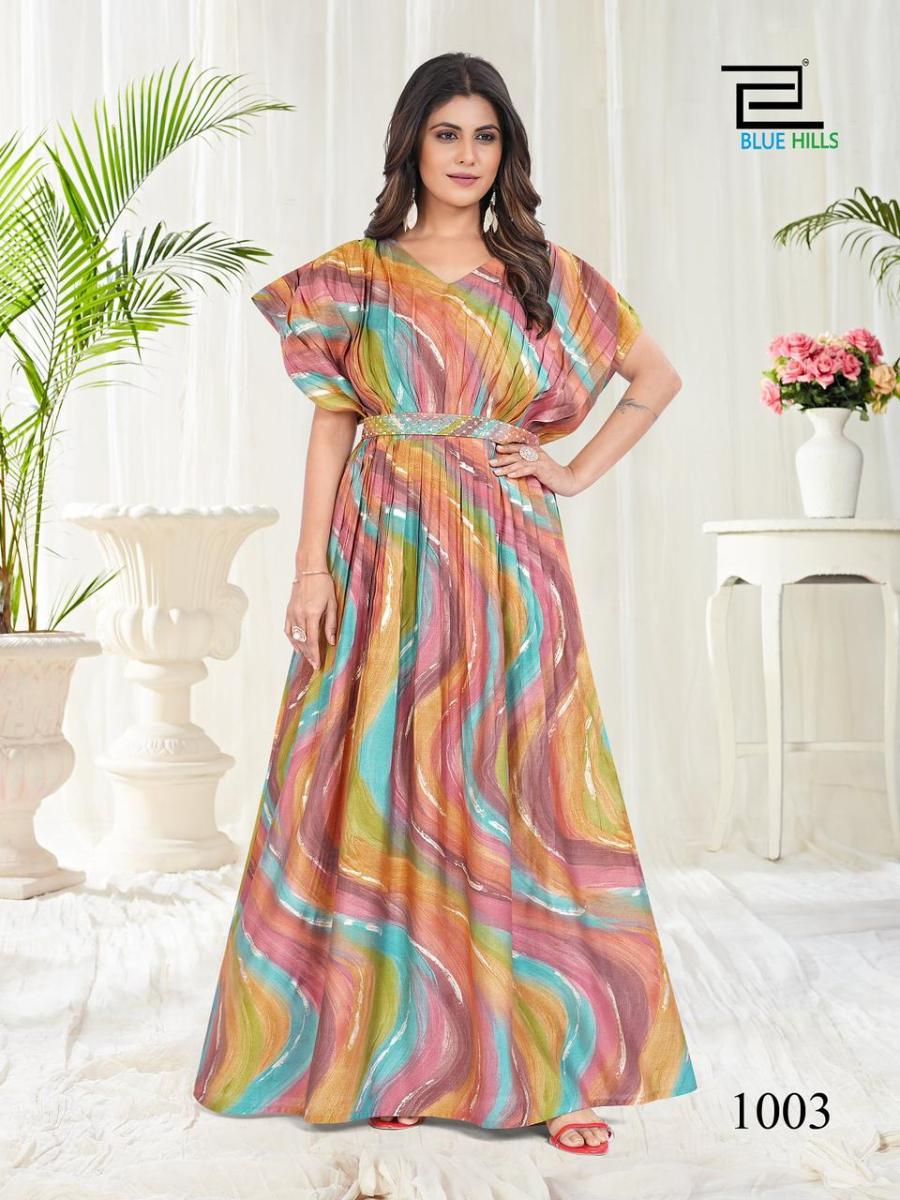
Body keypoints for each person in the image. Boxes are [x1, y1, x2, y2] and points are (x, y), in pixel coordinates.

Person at [192, 51, 697, 1156]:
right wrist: (312, 569)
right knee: (383, 784)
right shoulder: (357, 275)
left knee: (524, 784)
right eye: (446, 134)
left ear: (506, 151)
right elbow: (332, 424)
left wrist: (571, 471)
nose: (467, 156)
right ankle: (403, 1052)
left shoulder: (545, 274)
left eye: (485, 136)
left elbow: (655, 378)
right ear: (411, 146)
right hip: (384, 550)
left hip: (510, 556)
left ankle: (551, 1065)